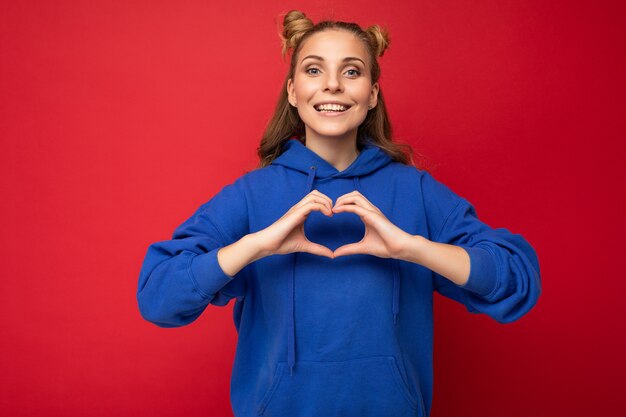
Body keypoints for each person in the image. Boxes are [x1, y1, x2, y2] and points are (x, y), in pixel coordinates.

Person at [136, 9, 542, 417]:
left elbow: (516, 282)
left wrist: (413, 248)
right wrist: (256, 246)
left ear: (372, 93)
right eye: (315, 70)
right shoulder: (250, 196)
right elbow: (158, 298)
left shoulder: (414, 192)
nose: (332, 84)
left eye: (351, 72)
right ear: (293, 92)